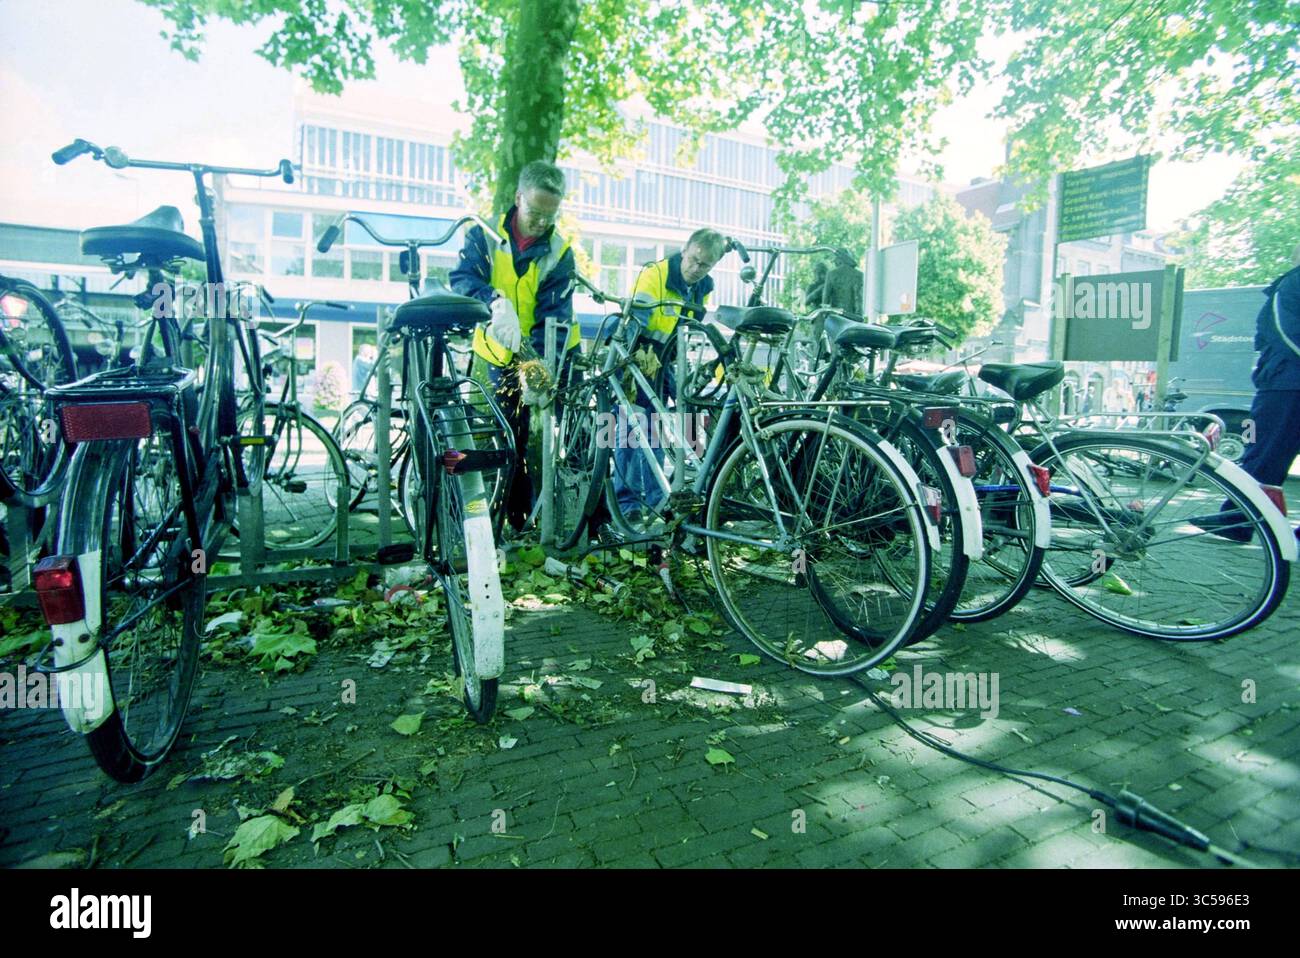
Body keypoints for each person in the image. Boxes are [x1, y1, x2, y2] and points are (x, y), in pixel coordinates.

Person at [449, 159, 578, 533]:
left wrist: (536, 367)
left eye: (549, 215)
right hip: (494, 353)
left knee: (540, 437)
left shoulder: (559, 251)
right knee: (502, 434)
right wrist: (493, 301)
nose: (541, 223)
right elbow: (461, 278)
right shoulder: (483, 235)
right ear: (518, 197)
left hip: (542, 350)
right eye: (535, 212)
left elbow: (554, 314)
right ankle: (496, 515)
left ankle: (527, 520)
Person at [610, 229, 728, 521]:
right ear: (685, 249)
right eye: (694, 260)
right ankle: (627, 504)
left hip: (665, 358)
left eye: (705, 265)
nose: (696, 269)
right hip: (638, 354)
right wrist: (634, 362)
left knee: (661, 426)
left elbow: (689, 326)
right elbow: (637, 317)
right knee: (630, 427)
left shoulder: (705, 286)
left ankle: (659, 497)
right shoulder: (655, 274)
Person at [1193, 243, 1300, 542]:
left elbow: (1284, 332)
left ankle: (1235, 522)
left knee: (1265, 456)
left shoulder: (1292, 283)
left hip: (1287, 384)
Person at [821, 247, 864, 316]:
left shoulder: (831, 274)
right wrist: (859, 316)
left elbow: (826, 298)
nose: (834, 262)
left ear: (840, 259)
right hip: (852, 316)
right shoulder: (859, 274)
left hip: (836, 316)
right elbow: (859, 298)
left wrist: (825, 315)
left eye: (835, 260)